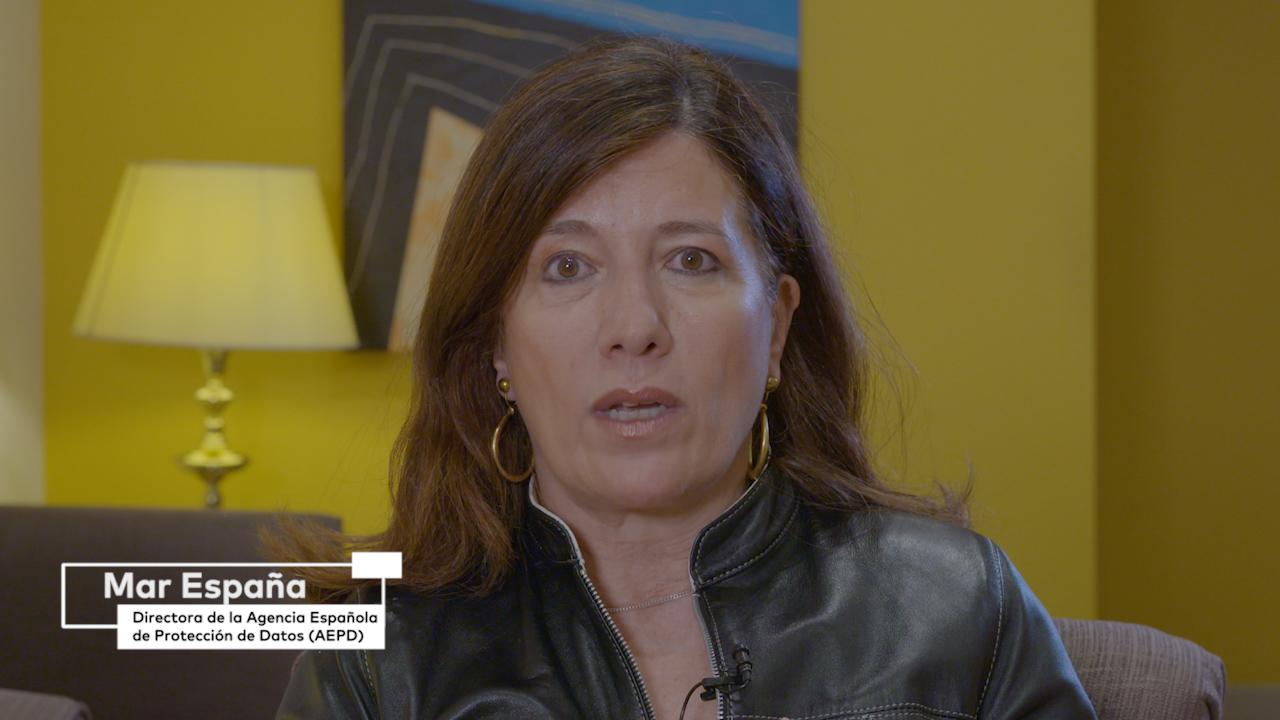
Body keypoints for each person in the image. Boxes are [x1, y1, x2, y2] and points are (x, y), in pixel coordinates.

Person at [276, 36, 1096, 720]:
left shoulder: (958, 606)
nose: (635, 326)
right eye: (568, 267)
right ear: (497, 348)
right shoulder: (374, 655)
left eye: (691, 260)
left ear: (776, 325)